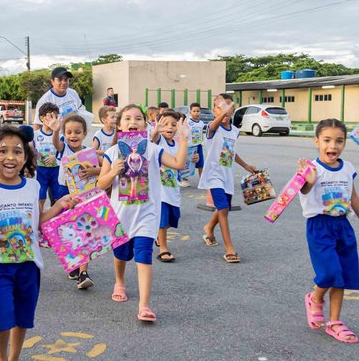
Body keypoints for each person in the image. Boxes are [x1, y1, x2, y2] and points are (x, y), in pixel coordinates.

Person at [0, 124, 78, 361]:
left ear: (26, 156)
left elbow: (37, 222)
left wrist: (59, 206)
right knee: (1, 317)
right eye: (3, 151)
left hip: (29, 265)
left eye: (18, 152)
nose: (11, 157)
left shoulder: (33, 186)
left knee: (22, 318)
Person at [97, 104, 189, 322]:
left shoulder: (153, 149)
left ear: (146, 124)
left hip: (147, 214)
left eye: (138, 118)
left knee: (144, 256)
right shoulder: (112, 153)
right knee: (121, 255)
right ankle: (119, 281)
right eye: (127, 118)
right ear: (119, 126)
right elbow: (100, 184)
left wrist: (184, 139)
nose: (133, 122)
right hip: (121, 215)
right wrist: (112, 172)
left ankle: (144, 305)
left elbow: (178, 163)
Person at [300, 119, 359, 344]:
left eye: (339, 141)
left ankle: (334, 321)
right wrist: (309, 181)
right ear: (317, 142)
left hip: (343, 225)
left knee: (342, 275)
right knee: (329, 273)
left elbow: (353, 197)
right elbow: (303, 190)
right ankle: (315, 298)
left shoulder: (348, 168)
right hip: (319, 226)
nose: (332, 146)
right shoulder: (311, 169)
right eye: (327, 140)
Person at [199, 94, 257, 263]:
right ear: (213, 111)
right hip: (214, 176)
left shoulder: (234, 131)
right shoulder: (212, 128)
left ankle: (209, 227)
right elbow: (215, 123)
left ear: (233, 109)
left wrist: (246, 166)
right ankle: (229, 248)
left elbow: (230, 151)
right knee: (223, 209)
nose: (224, 110)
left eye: (228, 107)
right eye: (219, 107)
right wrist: (221, 114)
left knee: (224, 207)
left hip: (227, 177)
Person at [52, 113, 101, 288]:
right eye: (70, 132)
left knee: (84, 230)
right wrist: (56, 131)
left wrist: (95, 171)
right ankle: (74, 265)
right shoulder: (63, 148)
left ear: (85, 134)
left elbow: (100, 167)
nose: (73, 135)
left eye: (78, 132)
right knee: (69, 231)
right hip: (64, 192)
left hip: (85, 194)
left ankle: (83, 273)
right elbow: (56, 143)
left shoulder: (88, 152)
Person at [152, 110, 184, 262]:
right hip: (160, 191)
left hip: (173, 188)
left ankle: (158, 236)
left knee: (173, 218)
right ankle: (163, 248)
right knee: (163, 220)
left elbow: (181, 163)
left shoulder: (178, 144)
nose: (169, 127)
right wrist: (155, 132)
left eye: (173, 124)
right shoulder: (160, 141)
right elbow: (154, 139)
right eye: (165, 124)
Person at [33, 103, 62, 212]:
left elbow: (63, 152)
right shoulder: (35, 135)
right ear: (42, 118)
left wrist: (55, 157)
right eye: (51, 117)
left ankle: (56, 220)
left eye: (56, 117)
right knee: (41, 197)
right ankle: (40, 220)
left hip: (56, 170)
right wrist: (36, 155)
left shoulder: (61, 135)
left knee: (57, 197)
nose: (54, 120)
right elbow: (31, 150)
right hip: (41, 170)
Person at [180, 103, 205, 187]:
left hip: (198, 145)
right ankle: (184, 179)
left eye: (198, 111)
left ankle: (202, 179)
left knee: (201, 163)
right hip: (189, 146)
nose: (196, 113)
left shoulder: (201, 123)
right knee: (187, 163)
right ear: (190, 112)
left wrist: (202, 141)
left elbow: (201, 133)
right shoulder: (187, 122)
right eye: (194, 111)